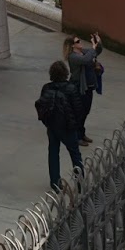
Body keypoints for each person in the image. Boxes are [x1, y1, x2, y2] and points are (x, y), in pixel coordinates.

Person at [38, 59, 85, 189]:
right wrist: (74, 124)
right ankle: (80, 182)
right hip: (68, 127)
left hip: (52, 127)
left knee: (53, 153)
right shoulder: (71, 88)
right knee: (75, 154)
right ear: (65, 73)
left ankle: (55, 183)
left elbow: (42, 107)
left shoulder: (46, 88)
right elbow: (79, 109)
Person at [65, 32, 102, 145]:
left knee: (85, 111)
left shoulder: (83, 52)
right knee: (79, 113)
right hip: (79, 88)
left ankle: (82, 133)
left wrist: (98, 42)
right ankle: (76, 137)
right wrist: (93, 48)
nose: (80, 42)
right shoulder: (73, 57)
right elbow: (87, 59)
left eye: (79, 40)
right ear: (72, 45)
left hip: (88, 87)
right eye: (77, 41)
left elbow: (96, 52)